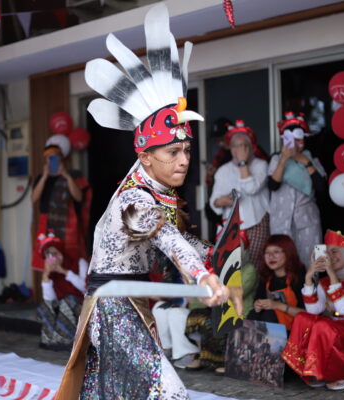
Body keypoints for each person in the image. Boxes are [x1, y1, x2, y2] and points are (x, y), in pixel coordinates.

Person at [56, 5, 242, 398]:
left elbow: (179, 240)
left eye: (187, 150)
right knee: (168, 393)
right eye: (173, 152)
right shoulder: (135, 200)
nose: (184, 159)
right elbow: (167, 241)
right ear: (144, 156)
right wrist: (204, 275)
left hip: (132, 303)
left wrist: (220, 259)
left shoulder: (158, 193)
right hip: (113, 306)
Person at [282, 230, 344, 391]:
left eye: (335, 251)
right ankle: (315, 370)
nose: (330, 256)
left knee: (324, 327)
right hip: (337, 330)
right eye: (326, 252)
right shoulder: (325, 282)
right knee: (303, 318)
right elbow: (313, 310)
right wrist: (309, 278)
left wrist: (330, 273)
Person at [182, 249, 258, 372]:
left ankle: (225, 360)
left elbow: (239, 291)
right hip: (217, 307)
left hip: (237, 309)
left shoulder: (248, 269)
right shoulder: (217, 270)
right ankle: (203, 356)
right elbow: (199, 295)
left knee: (219, 319)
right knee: (196, 316)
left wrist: (219, 290)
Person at [267, 111, 327, 265]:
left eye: (298, 139)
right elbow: (272, 185)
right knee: (283, 264)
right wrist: (284, 160)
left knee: (313, 262)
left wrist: (305, 161)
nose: (294, 144)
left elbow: (321, 187)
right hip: (281, 221)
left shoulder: (312, 158)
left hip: (308, 221)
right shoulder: (275, 158)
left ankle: (312, 289)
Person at [210, 120, 270, 269]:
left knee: (254, 270)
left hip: (256, 223)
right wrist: (221, 201)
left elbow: (251, 189)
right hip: (231, 226)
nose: (240, 149)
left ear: (252, 147)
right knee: (233, 269)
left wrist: (243, 163)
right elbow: (213, 201)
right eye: (236, 146)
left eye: (245, 145)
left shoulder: (261, 165)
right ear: (230, 148)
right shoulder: (223, 170)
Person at [31, 134, 92, 272]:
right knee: (48, 259)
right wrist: (45, 176)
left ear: (62, 158)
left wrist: (66, 175)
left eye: (55, 157)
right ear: (45, 159)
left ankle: (71, 289)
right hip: (46, 223)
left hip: (68, 224)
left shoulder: (73, 174)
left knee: (70, 260)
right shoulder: (42, 177)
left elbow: (78, 197)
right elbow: (33, 199)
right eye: (48, 157)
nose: (52, 160)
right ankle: (50, 287)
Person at [35, 231, 87, 351]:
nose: (52, 256)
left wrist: (64, 271)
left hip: (81, 306)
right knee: (45, 306)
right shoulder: (51, 273)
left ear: (61, 253)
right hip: (62, 307)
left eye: (54, 253)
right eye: (48, 254)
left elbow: (86, 288)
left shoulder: (79, 263)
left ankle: (65, 340)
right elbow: (49, 300)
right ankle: (48, 340)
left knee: (68, 300)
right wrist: (46, 276)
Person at [248, 234, 305, 331]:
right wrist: (257, 305)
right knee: (252, 314)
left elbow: (308, 314)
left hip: (296, 332)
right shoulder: (265, 277)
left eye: (276, 252)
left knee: (269, 314)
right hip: (273, 329)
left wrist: (277, 305)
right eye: (267, 253)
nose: (271, 256)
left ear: (288, 253)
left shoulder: (299, 277)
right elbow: (257, 300)